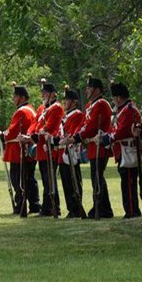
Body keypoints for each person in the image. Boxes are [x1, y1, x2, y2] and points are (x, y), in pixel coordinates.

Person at [66, 74, 114, 218]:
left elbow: (92, 126)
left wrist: (77, 138)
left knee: (97, 177)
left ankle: (102, 208)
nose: (87, 91)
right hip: (92, 146)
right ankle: (101, 207)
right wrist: (75, 136)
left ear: (97, 90)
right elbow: (84, 125)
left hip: (99, 145)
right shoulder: (89, 106)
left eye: (89, 88)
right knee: (96, 178)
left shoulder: (101, 104)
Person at [0, 82, 40, 216]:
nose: (13, 99)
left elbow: (13, 132)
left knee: (17, 180)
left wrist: (2, 135)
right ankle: (34, 204)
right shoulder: (31, 109)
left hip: (19, 151)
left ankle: (20, 205)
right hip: (29, 150)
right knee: (29, 179)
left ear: (21, 97)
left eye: (15, 96)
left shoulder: (21, 111)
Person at [100, 81, 142, 218]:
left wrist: (108, 138)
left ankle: (132, 211)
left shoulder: (129, 110)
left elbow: (123, 131)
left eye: (114, 97)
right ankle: (130, 210)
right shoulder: (123, 110)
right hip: (122, 151)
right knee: (126, 183)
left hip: (128, 151)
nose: (114, 100)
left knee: (129, 183)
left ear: (119, 97)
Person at [22, 79, 62, 217]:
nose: (43, 95)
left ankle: (52, 207)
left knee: (49, 179)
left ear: (53, 94)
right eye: (42, 93)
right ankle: (47, 207)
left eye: (45, 92)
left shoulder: (57, 108)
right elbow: (34, 124)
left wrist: (33, 137)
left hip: (49, 148)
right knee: (45, 180)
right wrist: (29, 134)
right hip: (40, 148)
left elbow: (50, 127)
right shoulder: (41, 108)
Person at [52, 86, 86, 218]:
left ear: (74, 102)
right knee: (66, 182)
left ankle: (76, 208)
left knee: (74, 181)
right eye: (65, 100)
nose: (65, 102)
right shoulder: (66, 116)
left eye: (68, 100)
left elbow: (73, 132)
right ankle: (71, 208)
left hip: (71, 152)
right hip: (63, 153)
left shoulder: (77, 114)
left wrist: (63, 140)